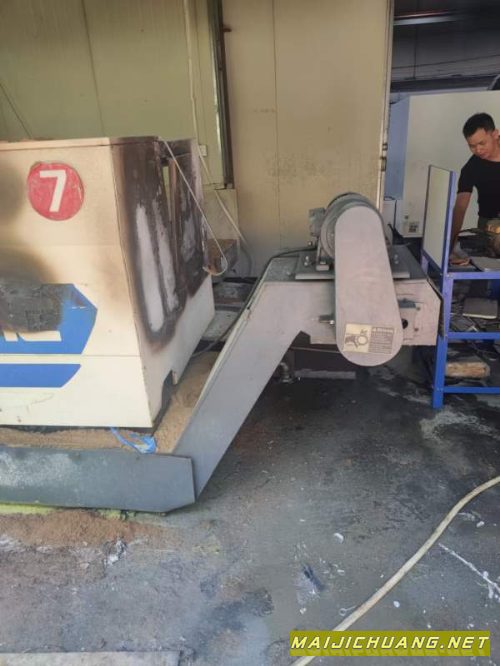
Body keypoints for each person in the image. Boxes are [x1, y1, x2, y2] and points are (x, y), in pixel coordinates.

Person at [450, 112, 500, 265]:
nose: (478, 150)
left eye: (482, 143)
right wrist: (449, 249)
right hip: (488, 225)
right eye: (472, 146)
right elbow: (460, 208)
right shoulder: (471, 168)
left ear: (495, 134)